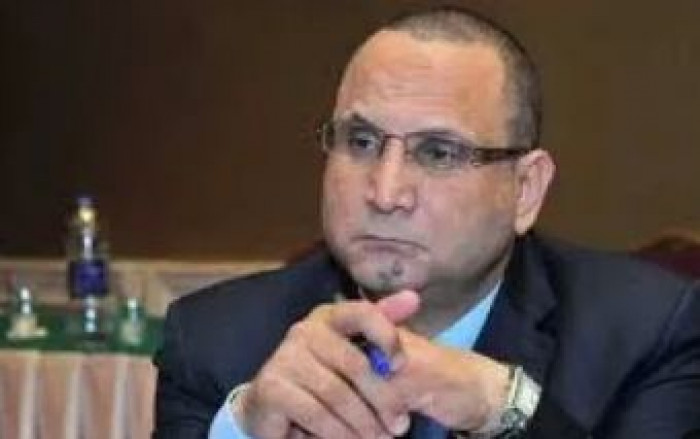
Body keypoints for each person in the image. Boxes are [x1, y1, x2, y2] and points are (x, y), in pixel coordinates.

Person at [153, 6, 700, 439]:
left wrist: (504, 407)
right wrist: (247, 430)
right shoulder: (213, 342)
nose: (385, 193)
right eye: (361, 142)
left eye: (439, 152)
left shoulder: (648, 331)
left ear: (525, 190)